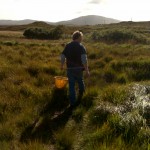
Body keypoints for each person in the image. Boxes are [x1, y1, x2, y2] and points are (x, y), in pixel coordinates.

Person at [60, 30, 90, 108]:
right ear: (78, 37)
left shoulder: (67, 45)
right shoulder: (81, 46)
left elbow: (63, 56)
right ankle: (82, 93)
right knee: (80, 80)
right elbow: (84, 59)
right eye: (81, 37)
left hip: (69, 69)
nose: (82, 39)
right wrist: (87, 70)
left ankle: (72, 103)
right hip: (79, 69)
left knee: (71, 86)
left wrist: (62, 65)